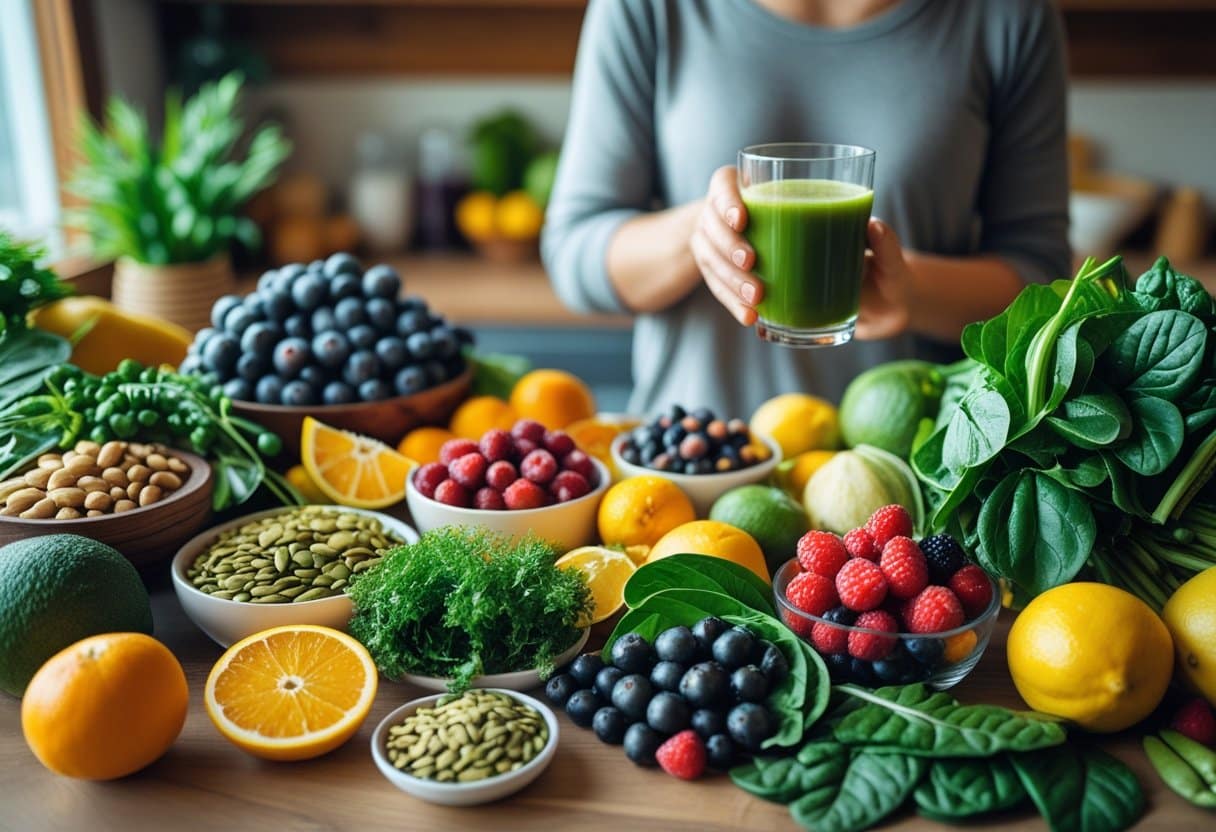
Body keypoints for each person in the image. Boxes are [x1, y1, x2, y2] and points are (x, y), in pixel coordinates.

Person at [542, 0, 1070, 417]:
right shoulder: (648, 7)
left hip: (914, 480)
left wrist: (911, 291)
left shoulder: (1007, 14)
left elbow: (1044, 281)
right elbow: (574, 252)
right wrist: (698, 235)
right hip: (695, 472)